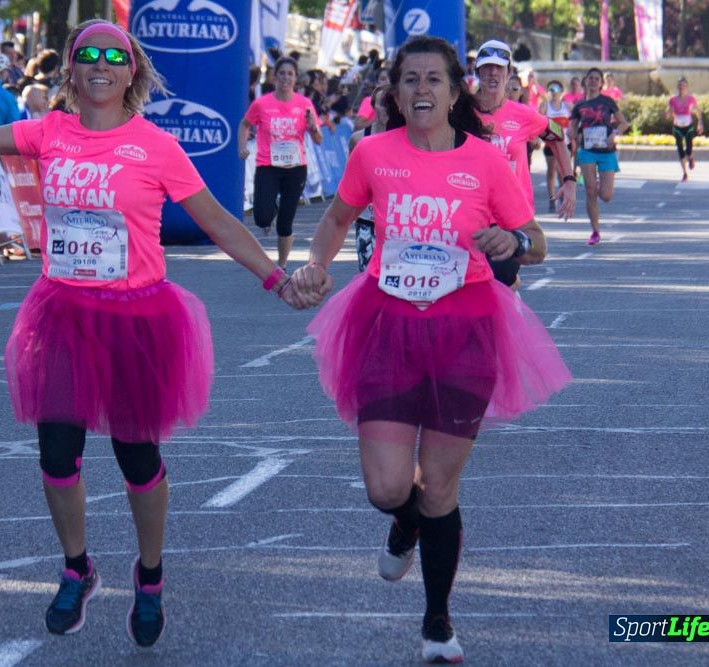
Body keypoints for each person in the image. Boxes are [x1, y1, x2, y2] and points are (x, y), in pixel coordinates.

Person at [0, 18, 323, 649]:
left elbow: (219, 223)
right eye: (86, 55)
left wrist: (277, 280)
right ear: (70, 70)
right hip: (63, 313)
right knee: (56, 456)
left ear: (132, 73)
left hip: (136, 320)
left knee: (137, 458)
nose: (100, 64)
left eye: (113, 56)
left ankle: (150, 577)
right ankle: (77, 567)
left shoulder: (155, 146)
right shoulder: (49, 132)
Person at [292, 35, 571, 664]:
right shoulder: (372, 154)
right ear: (396, 93)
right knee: (388, 487)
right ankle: (404, 521)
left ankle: (438, 621)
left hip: (467, 328)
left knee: (439, 485)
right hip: (387, 324)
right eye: (410, 80)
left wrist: (511, 244)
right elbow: (337, 219)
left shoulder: (486, 162)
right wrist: (315, 264)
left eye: (434, 80)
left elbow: (537, 240)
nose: (422, 90)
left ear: (454, 93)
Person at [473, 40, 576, 290]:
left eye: (499, 68)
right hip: (472, 212)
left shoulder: (523, 115)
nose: (493, 74)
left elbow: (557, 135)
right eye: (487, 68)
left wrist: (569, 180)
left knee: (500, 278)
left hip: (512, 215)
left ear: (509, 73)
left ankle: (511, 294)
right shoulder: (460, 112)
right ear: (477, 72)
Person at [238, 56, 323, 271]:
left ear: (296, 79)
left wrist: (313, 128)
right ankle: (271, 210)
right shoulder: (262, 104)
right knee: (262, 217)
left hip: (295, 168)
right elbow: (244, 124)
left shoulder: (304, 105)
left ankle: (282, 265)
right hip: (268, 166)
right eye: (282, 73)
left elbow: (318, 139)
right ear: (275, 76)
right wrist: (242, 147)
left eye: (290, 74)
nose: (286, 78)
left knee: (286, 223)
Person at [570, 67, 629, 245]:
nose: (594, 81)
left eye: (597, 78)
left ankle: (598, 183)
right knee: (590, 191)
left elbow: (624, 123)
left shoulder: (607, 102)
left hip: (606, 151)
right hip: (587, 150)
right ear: (585, 82)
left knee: (606, 195)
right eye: (591, 78)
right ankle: (595, 231)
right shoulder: (579, 106)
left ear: (602, 83)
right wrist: (573, 134)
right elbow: (572, 129)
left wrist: (614, 134)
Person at [348, 85, 388, 272]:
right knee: (367, 273)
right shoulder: (359, 139)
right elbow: (350, 179)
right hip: (367, 218)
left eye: (391, 103)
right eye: (382, 103)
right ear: (374, 107)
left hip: (394, 221)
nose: (386, 108)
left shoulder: (406, 138)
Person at [540, 81, 573, 212]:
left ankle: (563, 196)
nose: (554, 92)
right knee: (551, 170)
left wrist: (574, 140)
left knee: (563, 171)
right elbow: (539, 123)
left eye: (556, 89)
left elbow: (572, 125)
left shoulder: (568, 106)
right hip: (550, 144)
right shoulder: (544, 107)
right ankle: (552, 198)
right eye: (551, 89)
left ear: (561, 91)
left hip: (565, 144)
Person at [665, 77, 703, 182]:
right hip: (677, 127)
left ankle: (690, 157)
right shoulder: (673, 100)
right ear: (678, 87)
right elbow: (667, 113)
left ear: (687, 87)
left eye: (684, 86)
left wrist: (700, 123)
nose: (682, 88)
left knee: (689, 149)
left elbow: (698, 111)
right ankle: (685, 173)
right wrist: (668, 113)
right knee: (680, 150)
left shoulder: (691, 99)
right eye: (680, 86)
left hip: (688, 127)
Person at [353, 66, 390, 131]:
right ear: (376, 83)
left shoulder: (395, 103)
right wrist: (378, 119)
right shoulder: (369, 101)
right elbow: (357, 127)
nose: (387, 82)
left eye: (390, 79)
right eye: (383, 79)